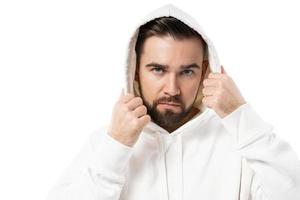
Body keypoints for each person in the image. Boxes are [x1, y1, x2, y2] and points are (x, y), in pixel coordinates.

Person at [47, 4, 300, 200]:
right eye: (158, 69)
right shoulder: (107, 144)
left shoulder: (239, 143)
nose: (172, 88)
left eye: (187, 72)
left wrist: (240, 116)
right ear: (136, 70)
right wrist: (116, 148)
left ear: (204, 72)